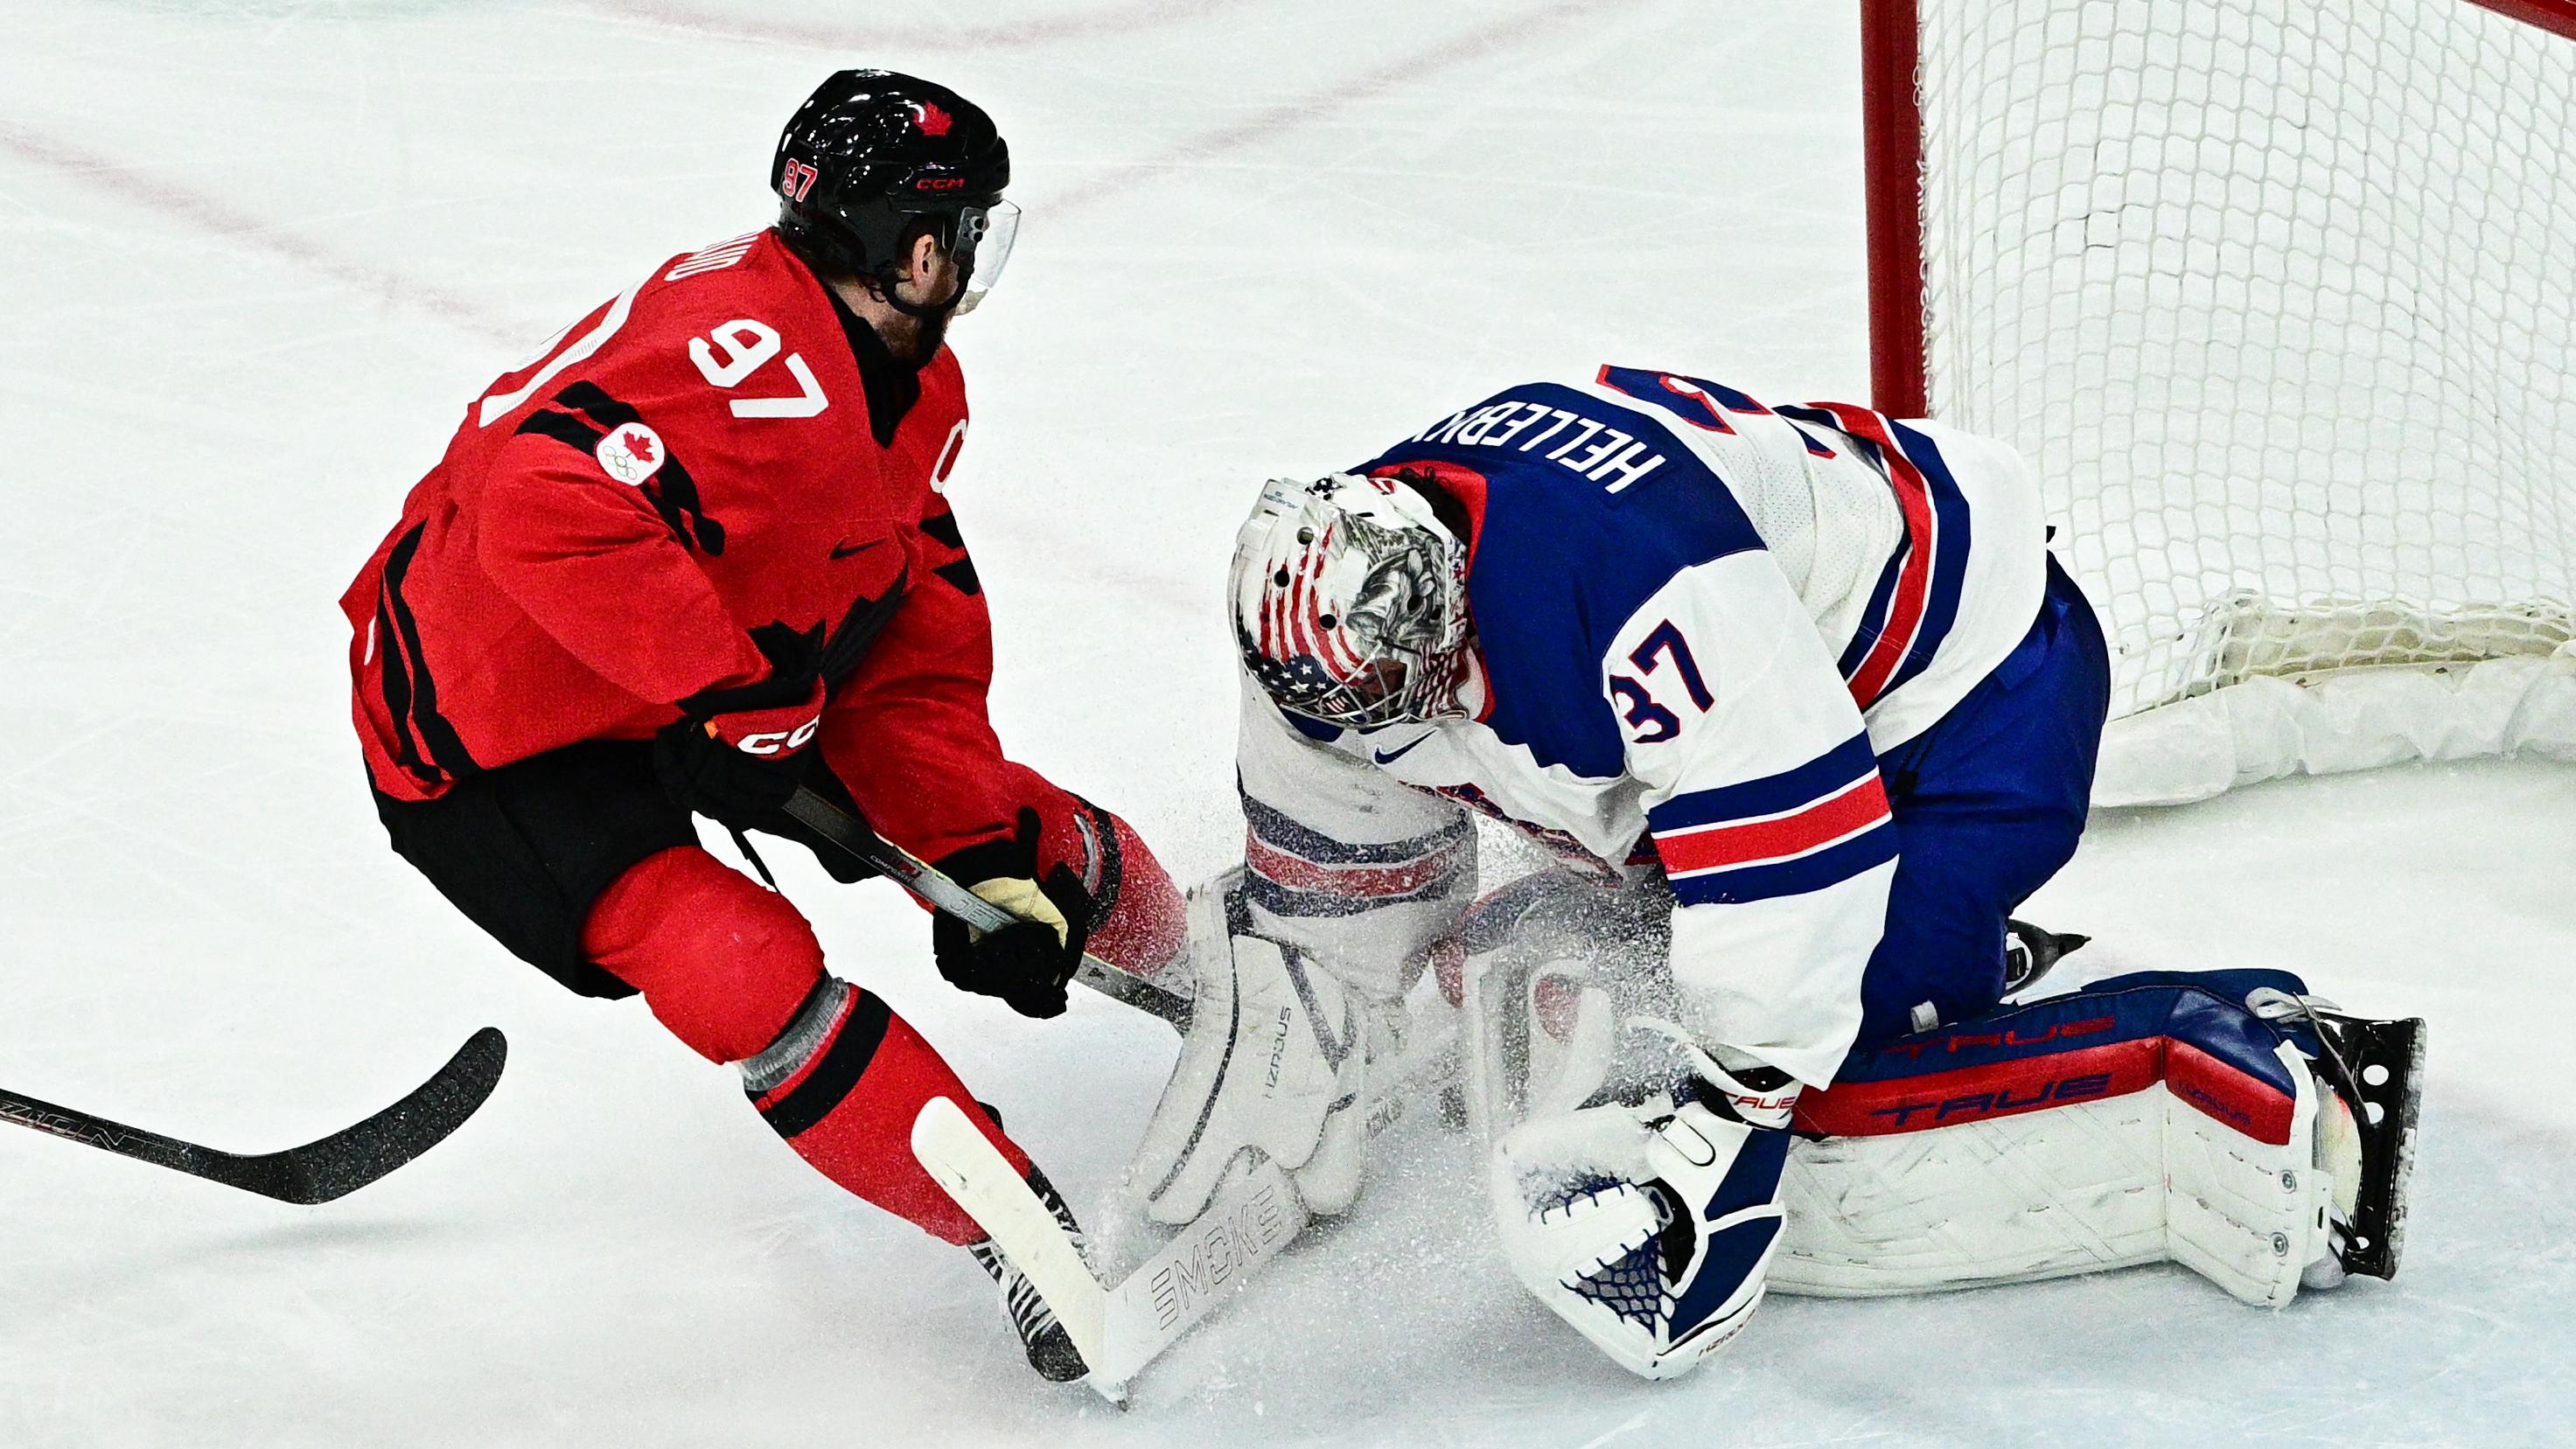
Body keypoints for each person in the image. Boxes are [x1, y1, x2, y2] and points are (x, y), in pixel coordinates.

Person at [1131, 366, 2421, 1379]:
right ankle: (1888, 968)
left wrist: (1735, 1110)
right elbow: (1346, 820)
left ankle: (2259, 1061)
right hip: (1790, 705)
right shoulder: (1324, 598)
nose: (1380, 731)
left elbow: (1803, 836)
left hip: (1977, 696)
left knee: (1837, 1066)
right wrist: (1322, 991)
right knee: (1610, 953)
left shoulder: (1641, 590)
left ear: (1450, 601)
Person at [342, 70, 1184, 1385]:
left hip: (713, 652)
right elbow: (528, 495)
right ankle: (1012, 1226)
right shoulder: (759, 369)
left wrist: (964, 844)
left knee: (988, 814)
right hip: (492, 727)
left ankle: (1239, 989)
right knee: (737, 966)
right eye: (965, 232)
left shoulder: (901, 379)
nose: (967, 262)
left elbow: (905, 616)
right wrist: (732, 697)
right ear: (916, 249)